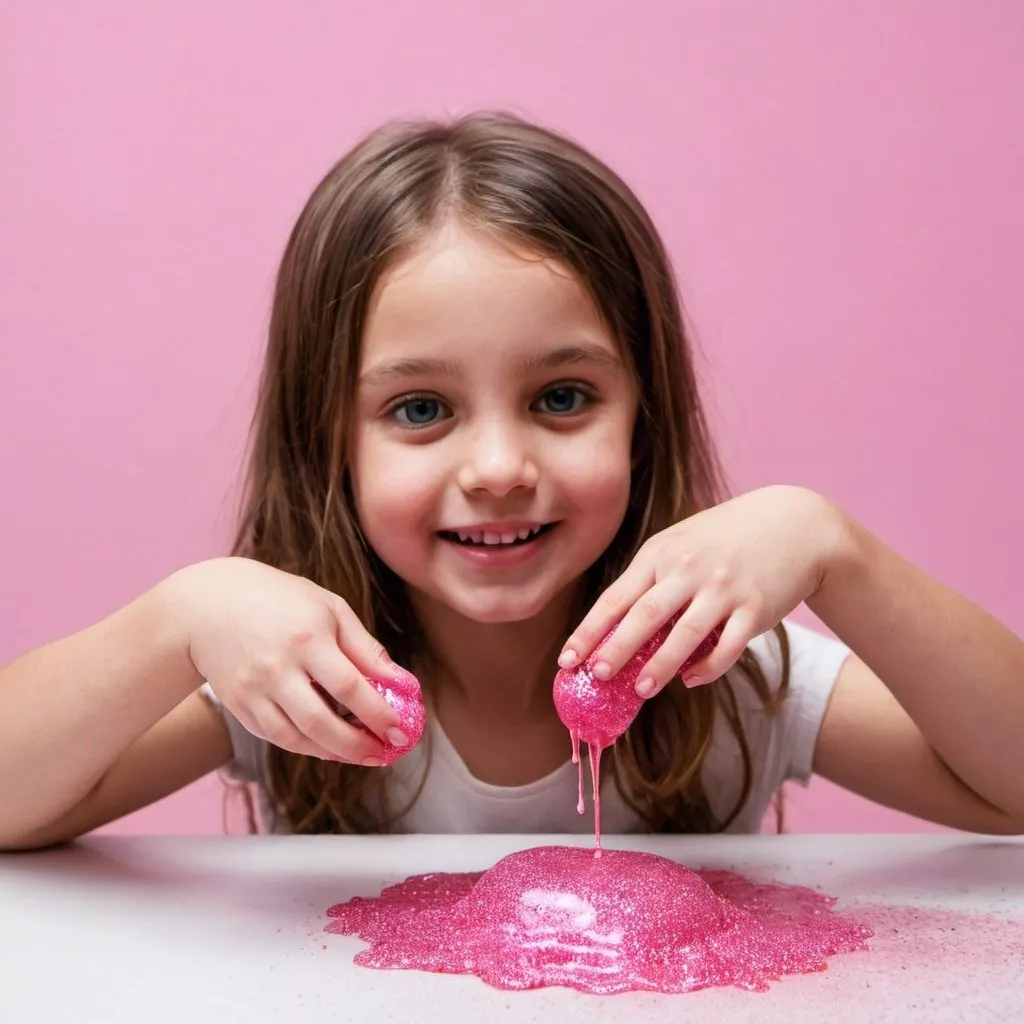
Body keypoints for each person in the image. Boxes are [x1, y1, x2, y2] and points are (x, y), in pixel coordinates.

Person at [2, 113, 1022, 851]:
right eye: (418, 410)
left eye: (563, 397)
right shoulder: (301, 692)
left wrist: (836, 550)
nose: (497, 469)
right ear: (330, 444)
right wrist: (179, 615)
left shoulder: (725, 679)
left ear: (645, 419)